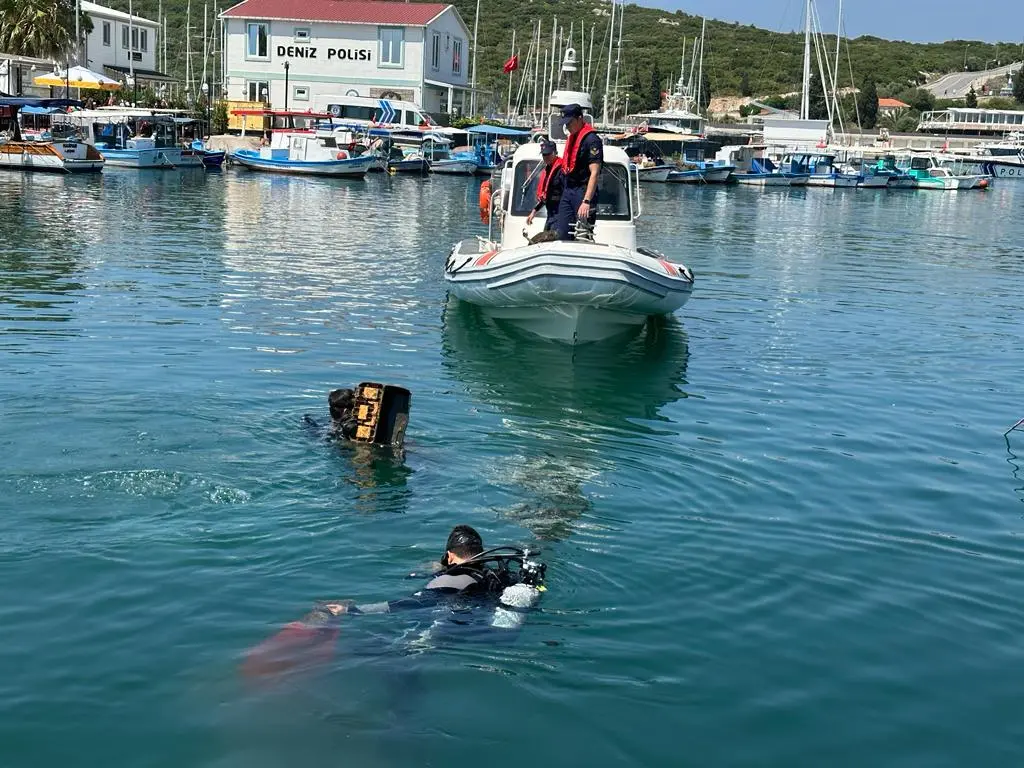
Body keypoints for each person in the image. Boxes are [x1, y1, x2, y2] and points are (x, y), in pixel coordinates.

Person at [242, 526, 545, 678]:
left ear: (450, 555)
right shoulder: (493, 574)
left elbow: (404, 605)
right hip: (489, 628)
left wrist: (353, 609)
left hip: (455, 631)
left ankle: (401, 715)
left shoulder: (448, 581)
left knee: (392, 659)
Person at [555, 103, 603, 240]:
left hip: (583, 191)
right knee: (562, 233)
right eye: (566, 124)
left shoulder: (592, 140)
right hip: (568, 190)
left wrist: (586, 201)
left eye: (570, 123)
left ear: (580, 118)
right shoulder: (572, 137)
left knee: (582, 234)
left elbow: (595, 172)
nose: (568, 127)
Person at [526, 140, 565, 231]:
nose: (545, 157)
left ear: (555, 153)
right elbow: (546, 195)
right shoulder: (548, 169)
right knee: (545, 238)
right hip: (551, 214)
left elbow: (568, 192)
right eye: (544, 155)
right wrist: (534, 211)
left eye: (548, 154)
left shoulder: (561, 170)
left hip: (560, 214)